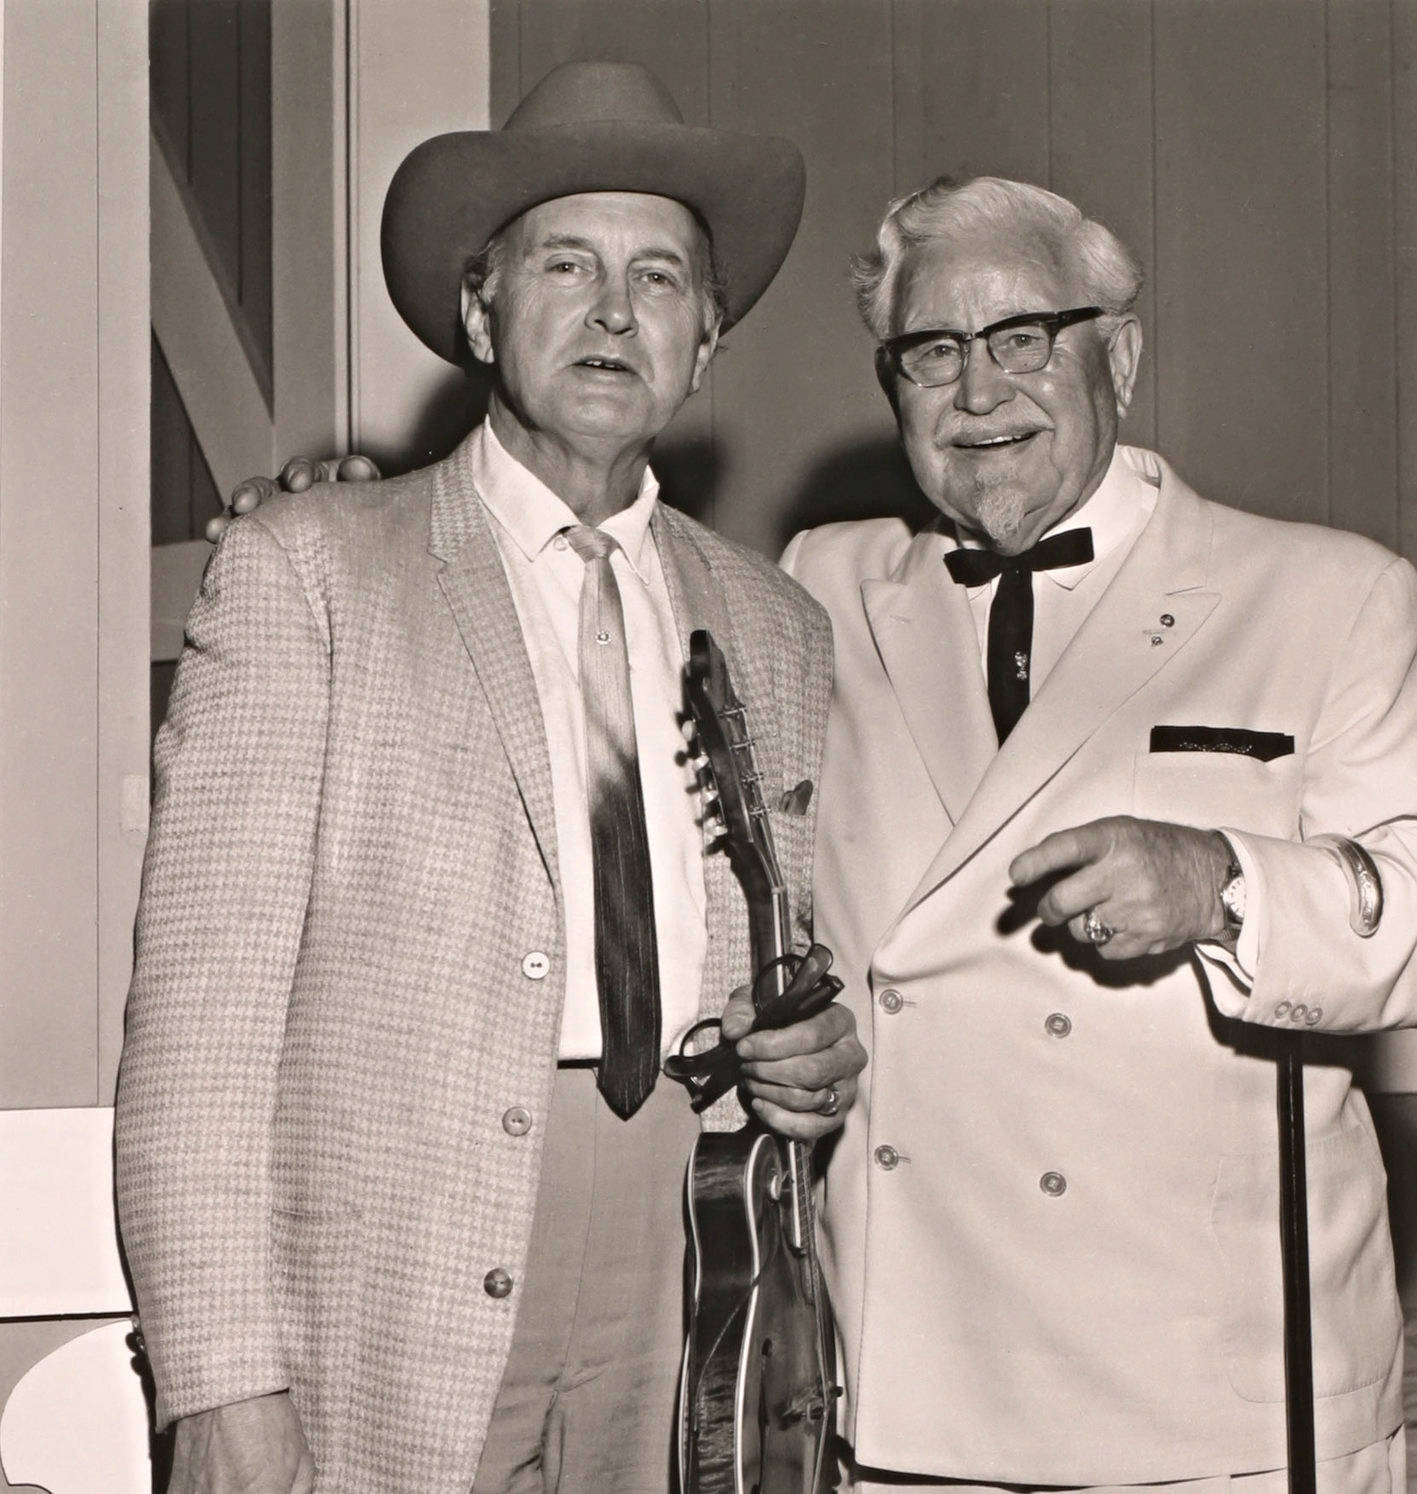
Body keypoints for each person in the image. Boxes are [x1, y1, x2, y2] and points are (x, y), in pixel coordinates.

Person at [114, 61, 864, 1494]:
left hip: (692, 1266)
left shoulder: (777, 626)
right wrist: (217, 1381)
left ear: (705, 340)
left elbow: (781, 959)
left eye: (659, 278)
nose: (610, 310)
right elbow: (198, 1032)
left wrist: (812, 1060)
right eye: (565, 264)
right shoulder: (310, 572)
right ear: (480, 308)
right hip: (390, 1286)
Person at [780, 175, 1417, 1493]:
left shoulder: (1323, 596)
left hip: (1216, 1406)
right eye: (932, 351)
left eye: (1021, 338)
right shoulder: (814, 587)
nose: (977, 392)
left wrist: (1227, 883)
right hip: (917, 1403)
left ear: (1119, 353)